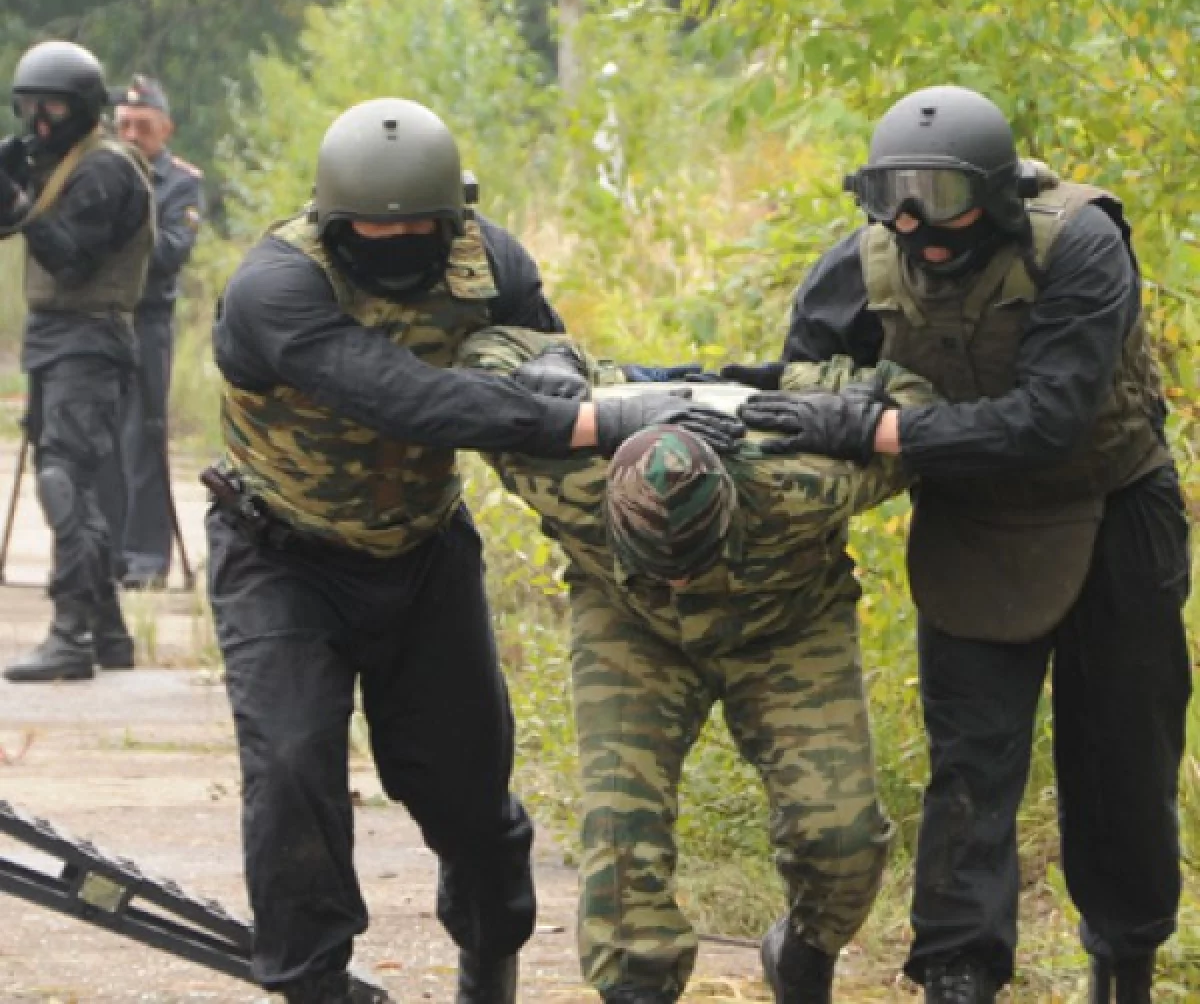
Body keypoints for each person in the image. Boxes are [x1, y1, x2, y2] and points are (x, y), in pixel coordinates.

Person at [205, 97, 740, 1004]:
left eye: (417, 230)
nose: (396, 245)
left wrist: (565, 382)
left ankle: (489, 960)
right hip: (281, 557)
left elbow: (541, 348)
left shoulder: (487, 261)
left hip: (423, 555)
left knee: (469, 799)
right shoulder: (277, 288)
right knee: (292, 770)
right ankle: (311, 984)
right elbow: (405, 397)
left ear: (451, 219)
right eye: (372, 232)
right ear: (334, 223)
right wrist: (595, 418)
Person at [732, 85, 1192, 1004]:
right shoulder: (867, 262)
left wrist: (879, 430)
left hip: (1112, 508)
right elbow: (807, 384)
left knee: (1124, 761)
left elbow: (1050, 420)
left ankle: (1125, 966)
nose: (917, 223)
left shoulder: (1081, 245)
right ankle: (956, 974)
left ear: (996, 193)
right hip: (976, 523)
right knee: (971, 767)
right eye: (893, 197)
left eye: (941, 198)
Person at [456, 325, 942, 1004]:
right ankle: (636, 987)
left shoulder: (802, 480)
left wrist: (819, 394)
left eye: (689, 561)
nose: (679, 580)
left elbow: (915, 407)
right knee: (621, 834)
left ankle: (804, 954)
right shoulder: (558, 471)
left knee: (841, 838)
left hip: (787, 626)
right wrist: (560, 372)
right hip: (631, 626)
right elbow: (484, 366)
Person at [0, 41, 154, 684]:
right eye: (29, 107)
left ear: (84, 106)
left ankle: (71, 633)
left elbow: (69, 258)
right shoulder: (61, 162)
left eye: (53, 107)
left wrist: (20, 204)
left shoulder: (105, 169)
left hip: (89, 337)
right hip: (58, 337)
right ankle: (108, 631)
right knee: (70, 476)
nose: (40, 121)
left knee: (64, 478)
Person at [111, 75, 204, 590]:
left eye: (142, 126)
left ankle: (146, 557)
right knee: (99, 440)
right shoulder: (99, 173)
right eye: (123, 125)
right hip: (101, 320)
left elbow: (170, 252)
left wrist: (116, 240)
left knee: (144, 437)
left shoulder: (180, 182)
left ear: (164, 129)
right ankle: (106, 552)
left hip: (147, 322)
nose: (131, 135)